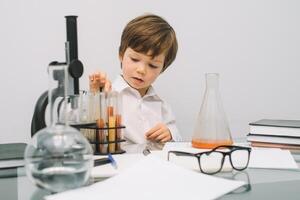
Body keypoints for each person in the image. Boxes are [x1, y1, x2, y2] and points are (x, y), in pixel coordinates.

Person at [89, 14, 182, 144]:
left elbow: (177, 136)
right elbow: (90, 132)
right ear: (121, 55)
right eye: (134, 59)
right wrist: (95, 96)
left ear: (162, 69)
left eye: (152, 65)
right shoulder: (109, 96)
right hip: (123, 162)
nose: (141, 70)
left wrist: (170, 132)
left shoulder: (161, 104)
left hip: (155, 162)